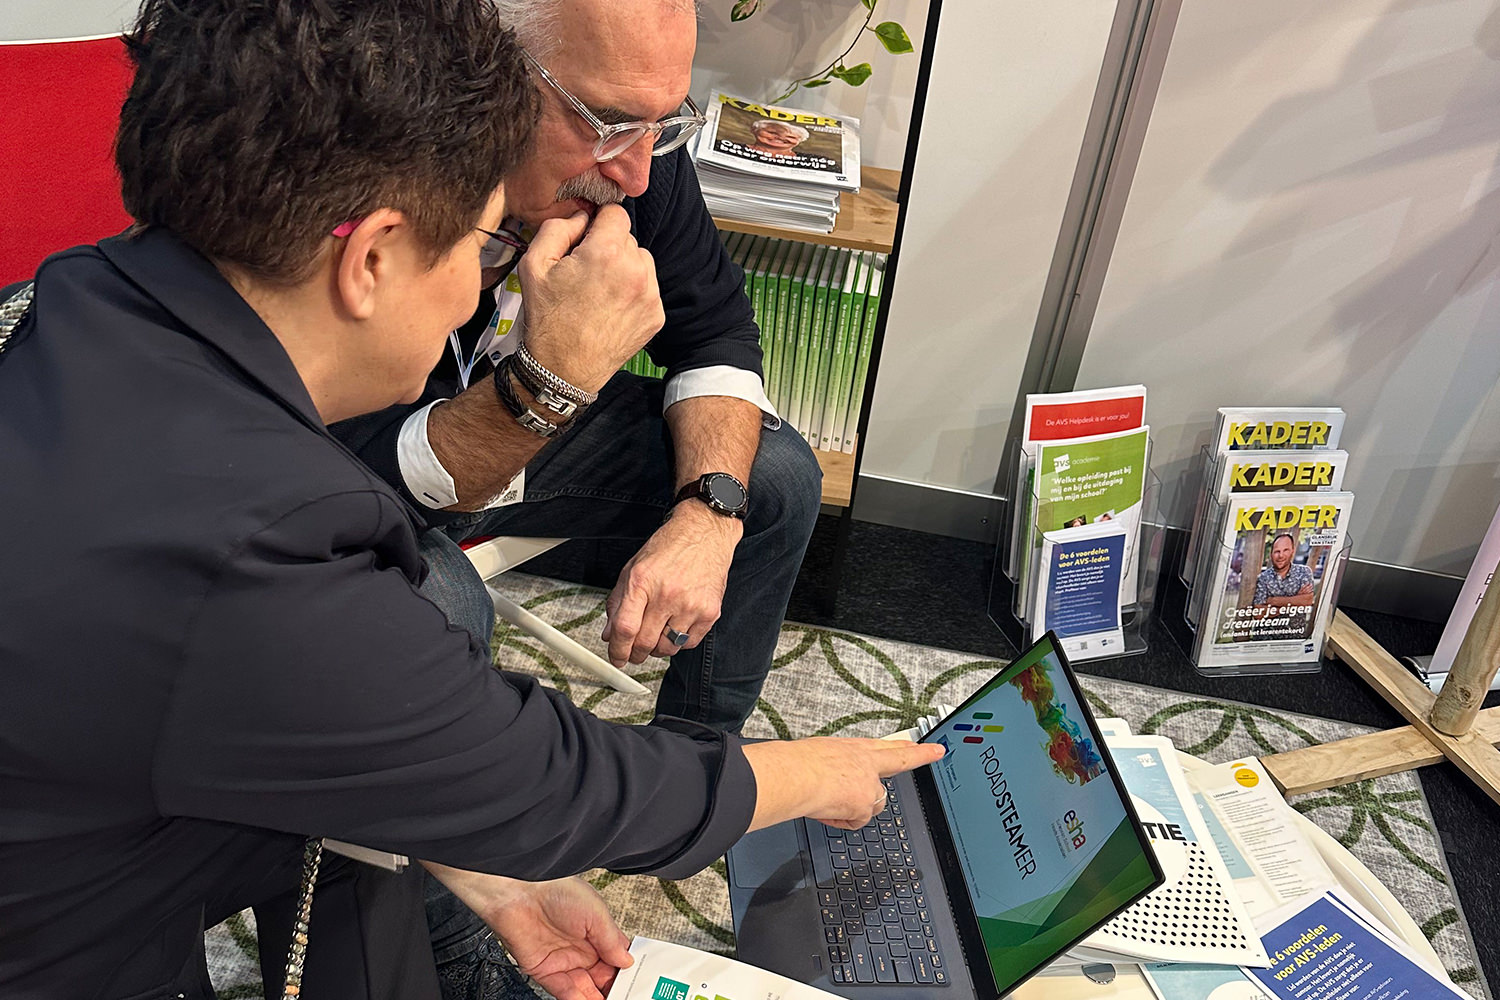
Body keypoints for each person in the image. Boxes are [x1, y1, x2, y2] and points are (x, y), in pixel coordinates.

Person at [0, 2, 945, 997]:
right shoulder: (259, 555)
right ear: (372, 257)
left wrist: (486, 872)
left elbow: (294, 724)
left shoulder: (76, 296)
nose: (473, 295)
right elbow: (547, 782)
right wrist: (812, 774)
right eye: (478, 239)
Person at [330, 0, 824, 740]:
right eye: (603, 121)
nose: (633, 173)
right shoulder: (370, 168)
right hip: (360, 471)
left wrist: (705, 515)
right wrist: (552, 379)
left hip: (519, 422)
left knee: (774, 478)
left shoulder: (637, 154)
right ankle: (375, 853)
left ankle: (699, 765)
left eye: (663, 123)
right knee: (442, 606)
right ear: (480, 65)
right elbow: (342, 478)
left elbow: (717, 332)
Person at [1251, 532, 1317, 609]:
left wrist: (1274, 601)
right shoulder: (1263, 578)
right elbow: (1259, 613)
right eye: (1277, 551)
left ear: (1292, 551)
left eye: (1285, 550)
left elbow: (1307, 601)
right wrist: (1296, 599)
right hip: (1271, 622)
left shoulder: (1304, 572)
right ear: (1271, 554)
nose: (1281, 556)